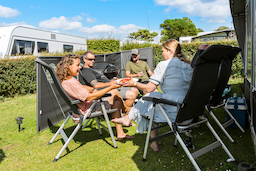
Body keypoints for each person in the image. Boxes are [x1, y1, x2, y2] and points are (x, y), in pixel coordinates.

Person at [112, 39, 193, 151]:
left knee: (150, 106)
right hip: (189, 110)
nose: (162, 54)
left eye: (163, 51)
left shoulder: (164, 65)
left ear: (170, 51)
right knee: (153, 99)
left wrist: (134, 83)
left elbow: (149, 87)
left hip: (174, 111)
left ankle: (129, 118)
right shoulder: (188, 66)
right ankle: (129, 119)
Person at [55, 54, 133, 141]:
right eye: (77, 65)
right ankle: (126, 113)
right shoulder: (71, 82)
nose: (80, 67)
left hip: (80, 108)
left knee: (117, 102)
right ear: (68, 66)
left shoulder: (67, 79)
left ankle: (121, 132)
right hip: (87, 109)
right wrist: (111, 87)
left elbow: (82, 86)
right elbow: (89, 97)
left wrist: (92, 89)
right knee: (114, 92)